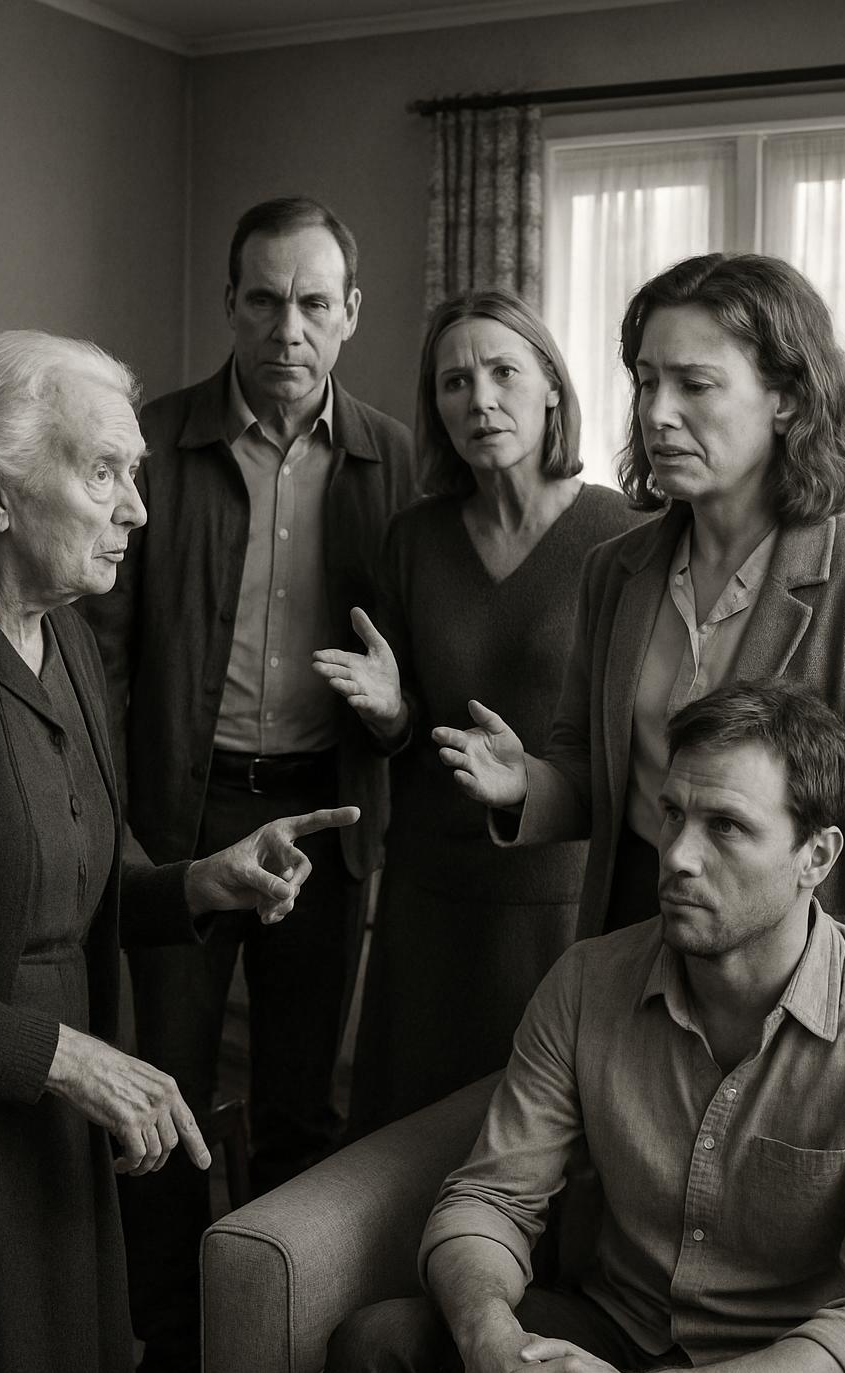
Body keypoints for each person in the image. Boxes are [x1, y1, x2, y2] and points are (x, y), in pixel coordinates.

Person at [0, 329, 359, 1373]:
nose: (137, 508)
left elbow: (77, 870)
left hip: (55, 1138)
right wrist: (63, 1058)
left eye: (135, 473)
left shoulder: (66, 631)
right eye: (104, 474)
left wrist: (198, 885)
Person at [323, 680, 845, 1373]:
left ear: (817, 855)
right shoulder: (588, 981)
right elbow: (490, 1197)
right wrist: (486, 1337)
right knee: (378, 1350)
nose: (678, 856)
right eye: (673, 815)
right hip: (617, 1330)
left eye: (726, 826)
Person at [80, 195, 414, 1373]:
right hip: (182, 817)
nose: (288, 328)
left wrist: (394, 715)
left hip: (324, 817)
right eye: (264, 300)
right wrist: (117, 830)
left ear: (350, 314)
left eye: (314, 303)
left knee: (299, 1112)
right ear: (228, 305)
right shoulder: (155, 444)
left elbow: (420, 678)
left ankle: (272, 1368)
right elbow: (99, 657)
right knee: (160, 1102)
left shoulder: (393, 461)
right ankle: (171, 1366)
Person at [434, 253, 845, 941]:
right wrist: (525, 782)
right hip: (633, 926)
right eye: (646, 383)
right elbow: (588, 774)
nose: (657, 413)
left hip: (792, 951)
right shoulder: (616, 570)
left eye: (694, 384)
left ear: (787, 398)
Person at [313, 290, 639, 1132]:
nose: (481, 399)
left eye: (503, 372)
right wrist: (391, 711)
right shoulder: (413, 538)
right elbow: (401, 730)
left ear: (552, 386)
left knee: (541, 1143)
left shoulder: (624, 532)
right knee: (401, 1143)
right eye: (455, 382)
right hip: (428, 894)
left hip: (559, 899)